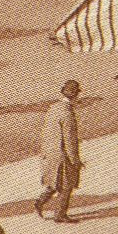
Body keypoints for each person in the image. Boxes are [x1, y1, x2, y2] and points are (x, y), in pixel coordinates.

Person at [35, 79, 82, 223]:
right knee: (66, 186)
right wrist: (75, 160)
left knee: (55, 183)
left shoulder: (54, 108)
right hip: (62, 155)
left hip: (50, 151)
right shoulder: (68, 115)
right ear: (74, 96)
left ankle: (40, 202)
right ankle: (60, 215)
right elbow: (69, 140)